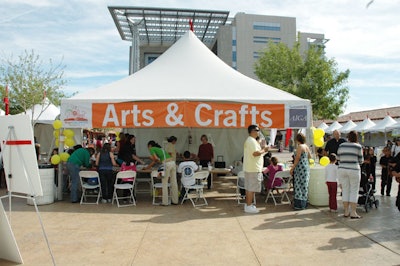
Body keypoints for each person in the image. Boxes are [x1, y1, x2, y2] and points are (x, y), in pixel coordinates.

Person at [337, 130, 363, 219]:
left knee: (345, 190)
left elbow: (338, 158)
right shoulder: (358, 147)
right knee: (354, 190)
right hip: (354, 169)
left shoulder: (341, 145)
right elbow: (361, 161)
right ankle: (353, 212)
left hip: (342, 169)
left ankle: (346, 211)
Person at [243, 125, 269, 214]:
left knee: (249, 188)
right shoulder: (251, 141)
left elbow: (256, 153)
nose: (258, 132)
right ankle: (249, 206)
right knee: (251, 188)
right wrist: (264, 149)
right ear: (252, 131)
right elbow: (255, 153)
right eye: (257, 130)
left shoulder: (251, 141)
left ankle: (248, 205)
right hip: (253, 169)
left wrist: (262, 149)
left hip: (251, 168)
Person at [144, 140, 178, 205]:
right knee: (174, 182)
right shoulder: (160, 149)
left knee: (164, 183)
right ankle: (175, 201)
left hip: (166, 164)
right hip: (172, 163)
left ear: (149, 146)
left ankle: (165, 202)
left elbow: (156, 159)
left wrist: (152, 160)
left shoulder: (152, 149)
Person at [290, 133, 312, 210]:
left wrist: (292, 167)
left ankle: (299, 204)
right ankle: (304, 203)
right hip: (306, 166)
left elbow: (297, 158)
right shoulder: (306, 146)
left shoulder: (300, 147)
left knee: (298, 185)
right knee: (304, 185)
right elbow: (310, 156)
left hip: (300, 167)